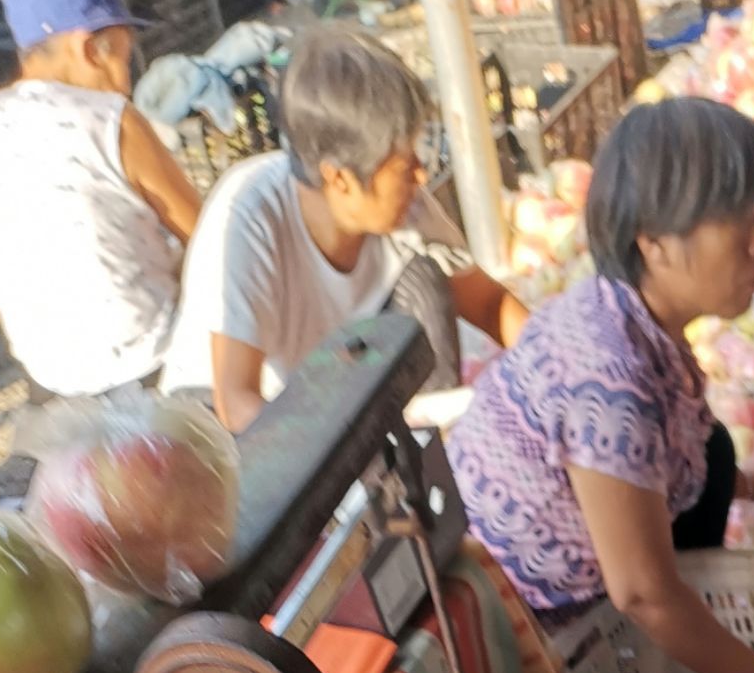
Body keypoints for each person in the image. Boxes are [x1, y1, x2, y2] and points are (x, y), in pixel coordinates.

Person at [448, 97, 754, 673]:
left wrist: (750, 484)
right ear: (654, 242)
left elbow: (663, 465)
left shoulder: (623, 317)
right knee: (678, 545)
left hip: (541, 583)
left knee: (713, 455)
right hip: (519, 636)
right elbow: (642, 594)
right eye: (739, 220)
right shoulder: (611, 385)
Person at [161, 26, 526, 431]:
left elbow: (490, 304)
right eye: (405, 167)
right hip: (228, 423)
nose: (422, 177)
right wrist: (345, 442)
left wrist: (556, 359)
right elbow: (236, 402)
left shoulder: (406, 210)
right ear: (340, 179)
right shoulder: (249, 219)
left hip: (333, 378)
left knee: (424, 278)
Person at [0, 0, 200, 399]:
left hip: (49, 380)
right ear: (91, 49)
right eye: (123, 56)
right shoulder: (111, 120)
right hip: (154, 368)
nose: (125, 80)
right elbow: (205, 234)